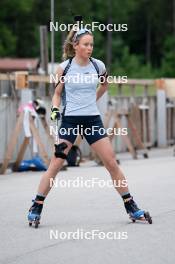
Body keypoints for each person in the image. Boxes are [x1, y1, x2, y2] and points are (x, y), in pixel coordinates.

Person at [28, 27, 152, 227]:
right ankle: (36, 205)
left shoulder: (98, 65)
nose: (90, 48)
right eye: (85, 44)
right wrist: (55, 110)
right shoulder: (64, 68)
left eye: (91, 44)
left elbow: (104, 85)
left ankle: (131, 206)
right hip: (69, 120)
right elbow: (57, 94)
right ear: (75, 46)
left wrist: (92, 101)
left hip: (92, 120)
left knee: (111, 162)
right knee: (56, 164)